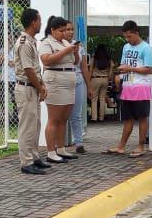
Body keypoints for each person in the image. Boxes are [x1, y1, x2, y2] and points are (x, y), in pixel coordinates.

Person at [107, 20, 152, 157]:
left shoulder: (146, 48)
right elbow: (123, 65)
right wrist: (119, 75)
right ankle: (121, 146)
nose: (128, 40)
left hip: (141, 87)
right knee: (128, 118)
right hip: (127, 86)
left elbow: (150, 69)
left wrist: (130, 69)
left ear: (136, 33)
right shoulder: (126, 47)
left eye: (130, 36)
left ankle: (140, 146)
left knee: (142, 117)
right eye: (125, 37)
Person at [38, 16, 79, 164]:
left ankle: (61, 149)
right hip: (55, 81)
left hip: (68, 81)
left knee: (64, 119)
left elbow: (75, 61)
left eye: (66, 30)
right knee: (54, 119)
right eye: (61, 30)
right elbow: (46, 60)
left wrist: (74, 51)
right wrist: (66, 50)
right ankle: (51, 152)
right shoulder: (46, 42)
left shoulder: (65, 42)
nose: (64, 33)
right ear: (53, 30)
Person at [14, 8, 50, 175]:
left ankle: (34, 157)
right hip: (26, 88)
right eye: (39, 20)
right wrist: (39, 87)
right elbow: (28, 70)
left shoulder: (32, 41)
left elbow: (35, 69)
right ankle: (26, 162)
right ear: (33, 21)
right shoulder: (24, 43)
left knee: (35, 125)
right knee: (27, 126)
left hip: (32, 87)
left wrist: (41, 85)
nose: (41, 23)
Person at [64, 21, 91, 154]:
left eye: (72, 29)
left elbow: (84, 67)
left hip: (78, 80)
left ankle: (79, 142)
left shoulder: (79, 46)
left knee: (76, 114)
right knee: (62, 114)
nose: (70, 32)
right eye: (67, 29)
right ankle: (60, 144)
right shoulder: (59, 45)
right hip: (64, 82)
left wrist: (89, 86)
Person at [88, 44, 115, 121]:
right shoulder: (108, 60)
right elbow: (110, 73)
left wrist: (88, 82)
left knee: (94, 99)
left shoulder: (94, 59)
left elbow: (90, 71)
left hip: (95, 79)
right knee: (102, 99)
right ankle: (101, 117)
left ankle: (94, 118)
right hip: (105, 80)